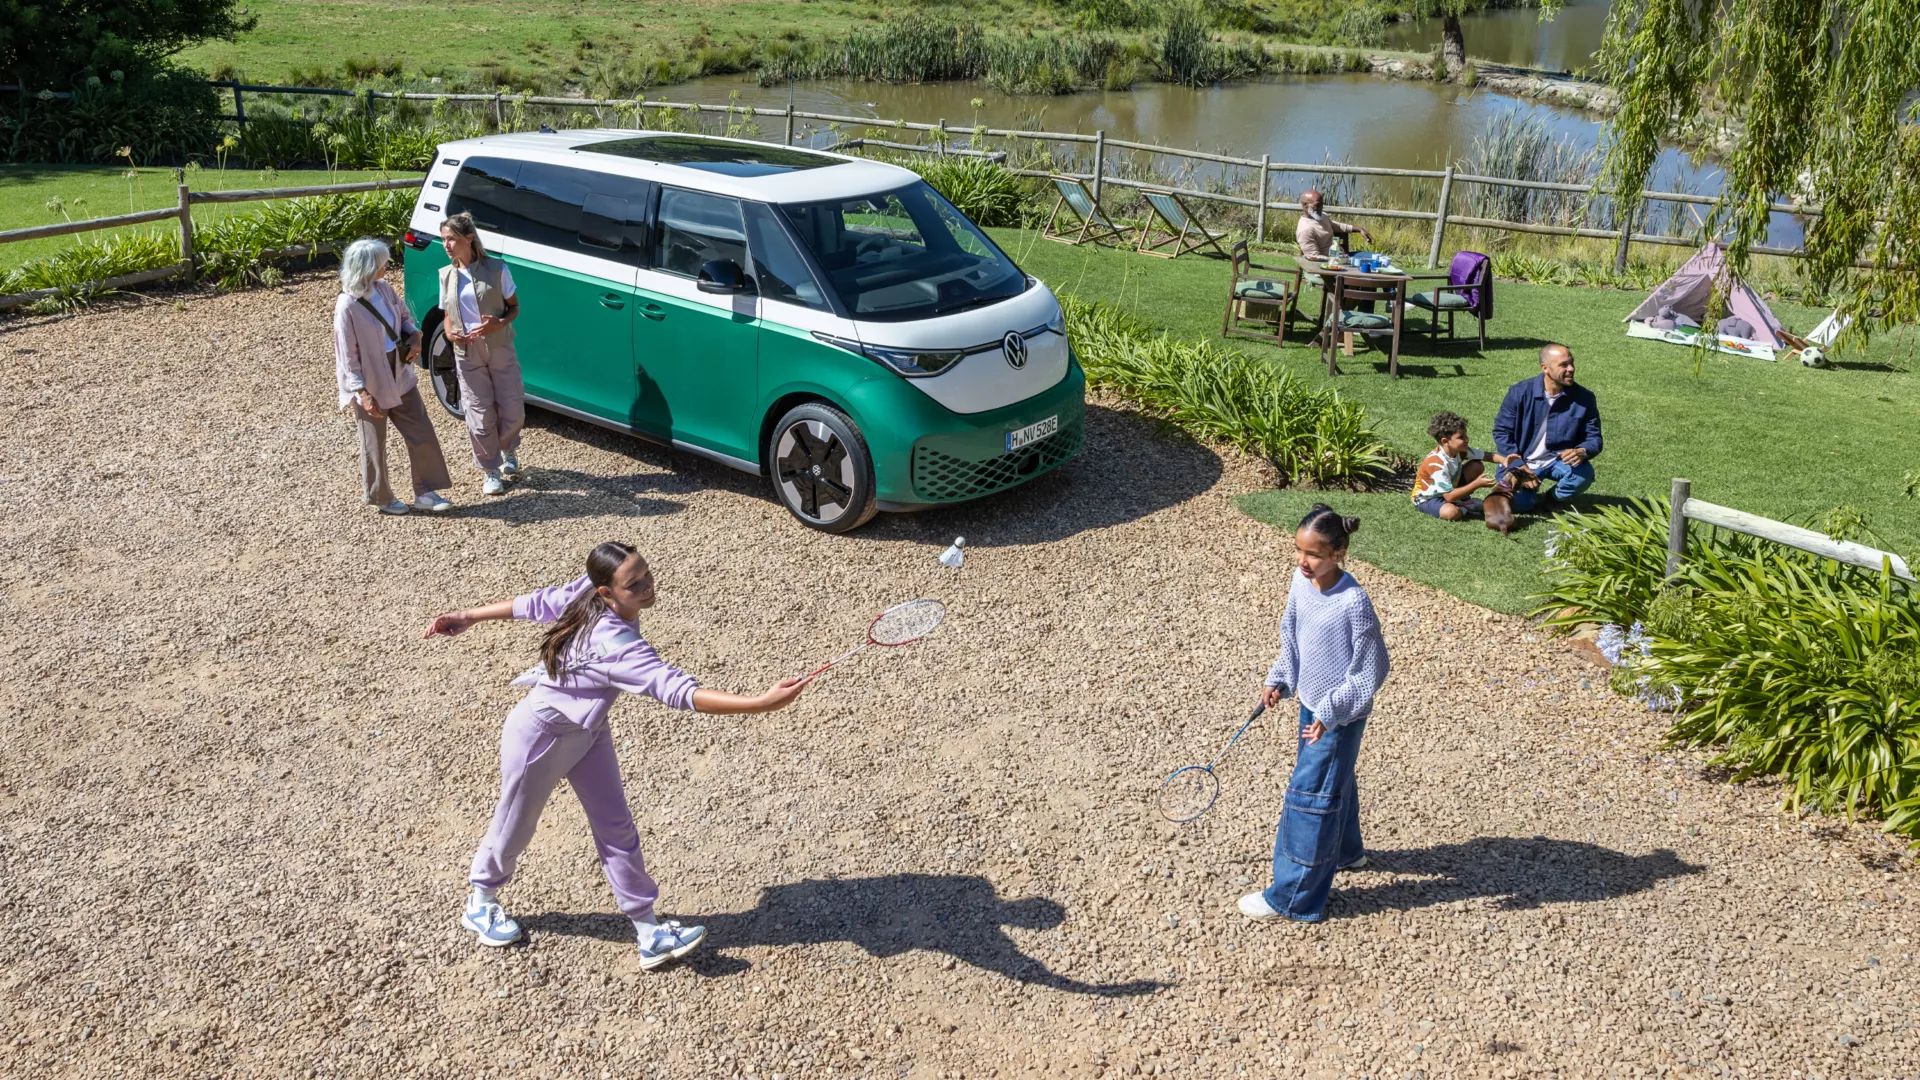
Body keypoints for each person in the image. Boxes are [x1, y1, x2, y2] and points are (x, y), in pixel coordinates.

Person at [424, 542, 807, 968]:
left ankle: (648, 930)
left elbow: (533, 604)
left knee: (616, 826)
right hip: (540, 736)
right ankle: (481, 899)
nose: (646, 587)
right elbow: (677, 690)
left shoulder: (588, 591)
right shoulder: (617, 644)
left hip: (586, 729)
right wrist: (758, 703)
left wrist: (468, 616)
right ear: (606, 592)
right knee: (516, 823)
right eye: (633, 583)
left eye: (646, 574)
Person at [1239, 505, 1391, 924]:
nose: (1302, 562)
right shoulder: (1300, 583)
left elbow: (1372, 669)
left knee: (1309, 796)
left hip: (1337, 716)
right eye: (1298, 551)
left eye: (1313, 555)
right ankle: (1347, 853)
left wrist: (1330, 711)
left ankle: (1293, 897)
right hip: (1312, 705)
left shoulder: (1354, 603)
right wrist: (1280, 680)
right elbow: (1292, 635)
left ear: (1339, 554)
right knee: (1330, 780)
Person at [333, 237, 453, 516]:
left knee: (421, 430)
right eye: (381, 263)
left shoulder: (384, 289)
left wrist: (414, 336)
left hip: (399, 371)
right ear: (366, 267)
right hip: (370, 380)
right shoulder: (347, 306)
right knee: (373, 443)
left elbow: (404, 317)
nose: (387, 266)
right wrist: (361, 393)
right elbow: (346, 357)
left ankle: (425, 491)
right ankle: (381, 497)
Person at [438, 212, 524, 497]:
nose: (446, 245)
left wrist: (498, 323)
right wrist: (450, 334)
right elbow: (447, 315)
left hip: (499, 347)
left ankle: (508, 449)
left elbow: (514, 307)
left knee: (512, 410)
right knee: (478, 412)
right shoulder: (446, 275)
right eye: (443, 240)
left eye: (451, 239)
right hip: (466, 353)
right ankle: (490, 469)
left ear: (469, 238)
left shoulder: (498, 269)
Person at [1491, 344, 1602, 513]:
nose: (1571, 369)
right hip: (1522, 460)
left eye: (1572, 363)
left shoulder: (1584, 398)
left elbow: (1594, 437)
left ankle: (1552, 499)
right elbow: (1502, 432)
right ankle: (1524, 492)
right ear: (1545, 368)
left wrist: (1583, 450)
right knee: (1520, 506)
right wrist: (1519, 465)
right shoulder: (1520, 392)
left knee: (1583, 475)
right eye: (1563, 365)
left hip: (1556, 460)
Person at [1411, 410, 1512, 521]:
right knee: (1451, 513)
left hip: (1449, 489)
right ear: (1445, 441)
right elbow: (1449, 496)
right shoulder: (1436, 464)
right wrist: (1477, 484)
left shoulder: (1460, 450)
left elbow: (1487, 456)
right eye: (1461, 437)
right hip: (1429, 498)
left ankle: (1461, 501)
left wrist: (1505, 460)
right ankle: (1463, 506)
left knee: (1476, 465)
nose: (1467, 439)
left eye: (1466, 435)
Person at [1294, 189, 1372, 262]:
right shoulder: (1305, 229)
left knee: (1379, 258)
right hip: (1332, 266)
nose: (1321, 208)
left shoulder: (1322, 216)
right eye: (1317, 205)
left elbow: (1336, 226)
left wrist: (1359, 229)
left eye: (1322, 204)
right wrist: (1340, 260)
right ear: (1305, 205)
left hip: (1344, 257)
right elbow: (1314, 257)